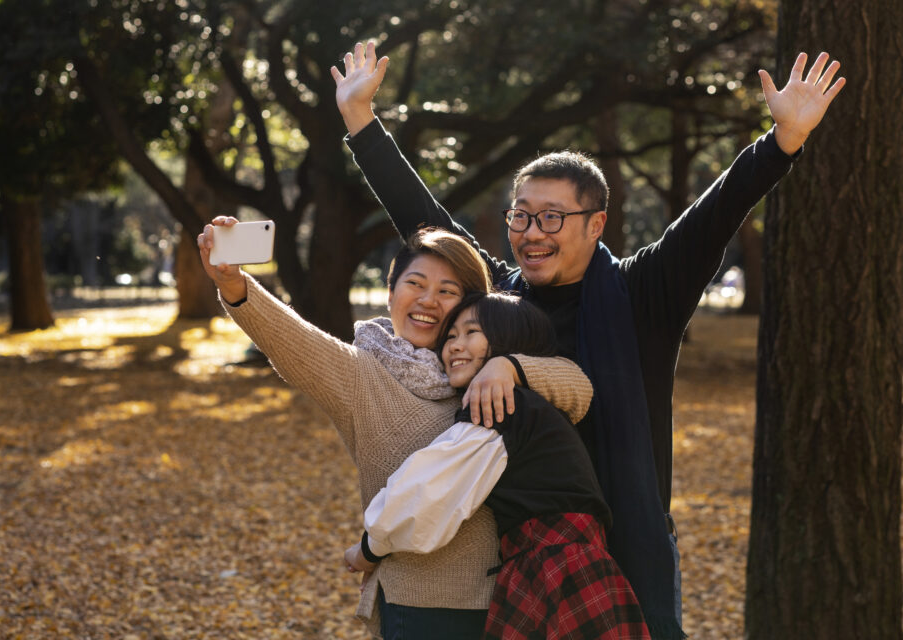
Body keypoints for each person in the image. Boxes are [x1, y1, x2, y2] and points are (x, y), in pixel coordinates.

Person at [331, 42, 845, 639]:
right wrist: (361, 122)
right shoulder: (498, 299)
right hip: (519, 559)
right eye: (521, 215)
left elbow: (715, 215)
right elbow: (425, 219)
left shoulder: (643, 293)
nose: (531, 233)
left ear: (596, 223)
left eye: (552, 218)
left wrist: (781, 141)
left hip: (628, 546)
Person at [197, 222, 593, 639]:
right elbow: (290, 340)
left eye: (447, 291)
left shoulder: (481, 364)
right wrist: (235, 285)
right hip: (423, 606)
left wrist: (509, 367)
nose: (428, 300)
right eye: (415, 284)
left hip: (516, 599)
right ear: (391, 294)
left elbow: (579, 390)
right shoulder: (362, 376)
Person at [344, 292, 651, 640]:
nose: (455, 346)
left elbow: (428, 492)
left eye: (471, 332)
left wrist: (368, 549)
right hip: (561, 562)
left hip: (558, 568)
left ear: (508, 339)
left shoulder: (499, 405)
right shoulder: (529, 405)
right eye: (450, 336)